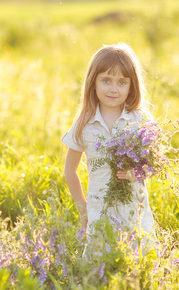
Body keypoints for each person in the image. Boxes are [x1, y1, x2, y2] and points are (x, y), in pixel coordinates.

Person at [62, 43, 155, 253]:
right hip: (99, 208)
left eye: (122, 82)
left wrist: (136, 173)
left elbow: (151, 164)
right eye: (106, 80)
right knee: (98, 266)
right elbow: (70, 170)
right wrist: (82, 208)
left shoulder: (139, 119)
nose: (114, 88)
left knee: (138, 261)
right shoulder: (84, 123)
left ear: (132, 86)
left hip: (134, 208)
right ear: (93, 83)